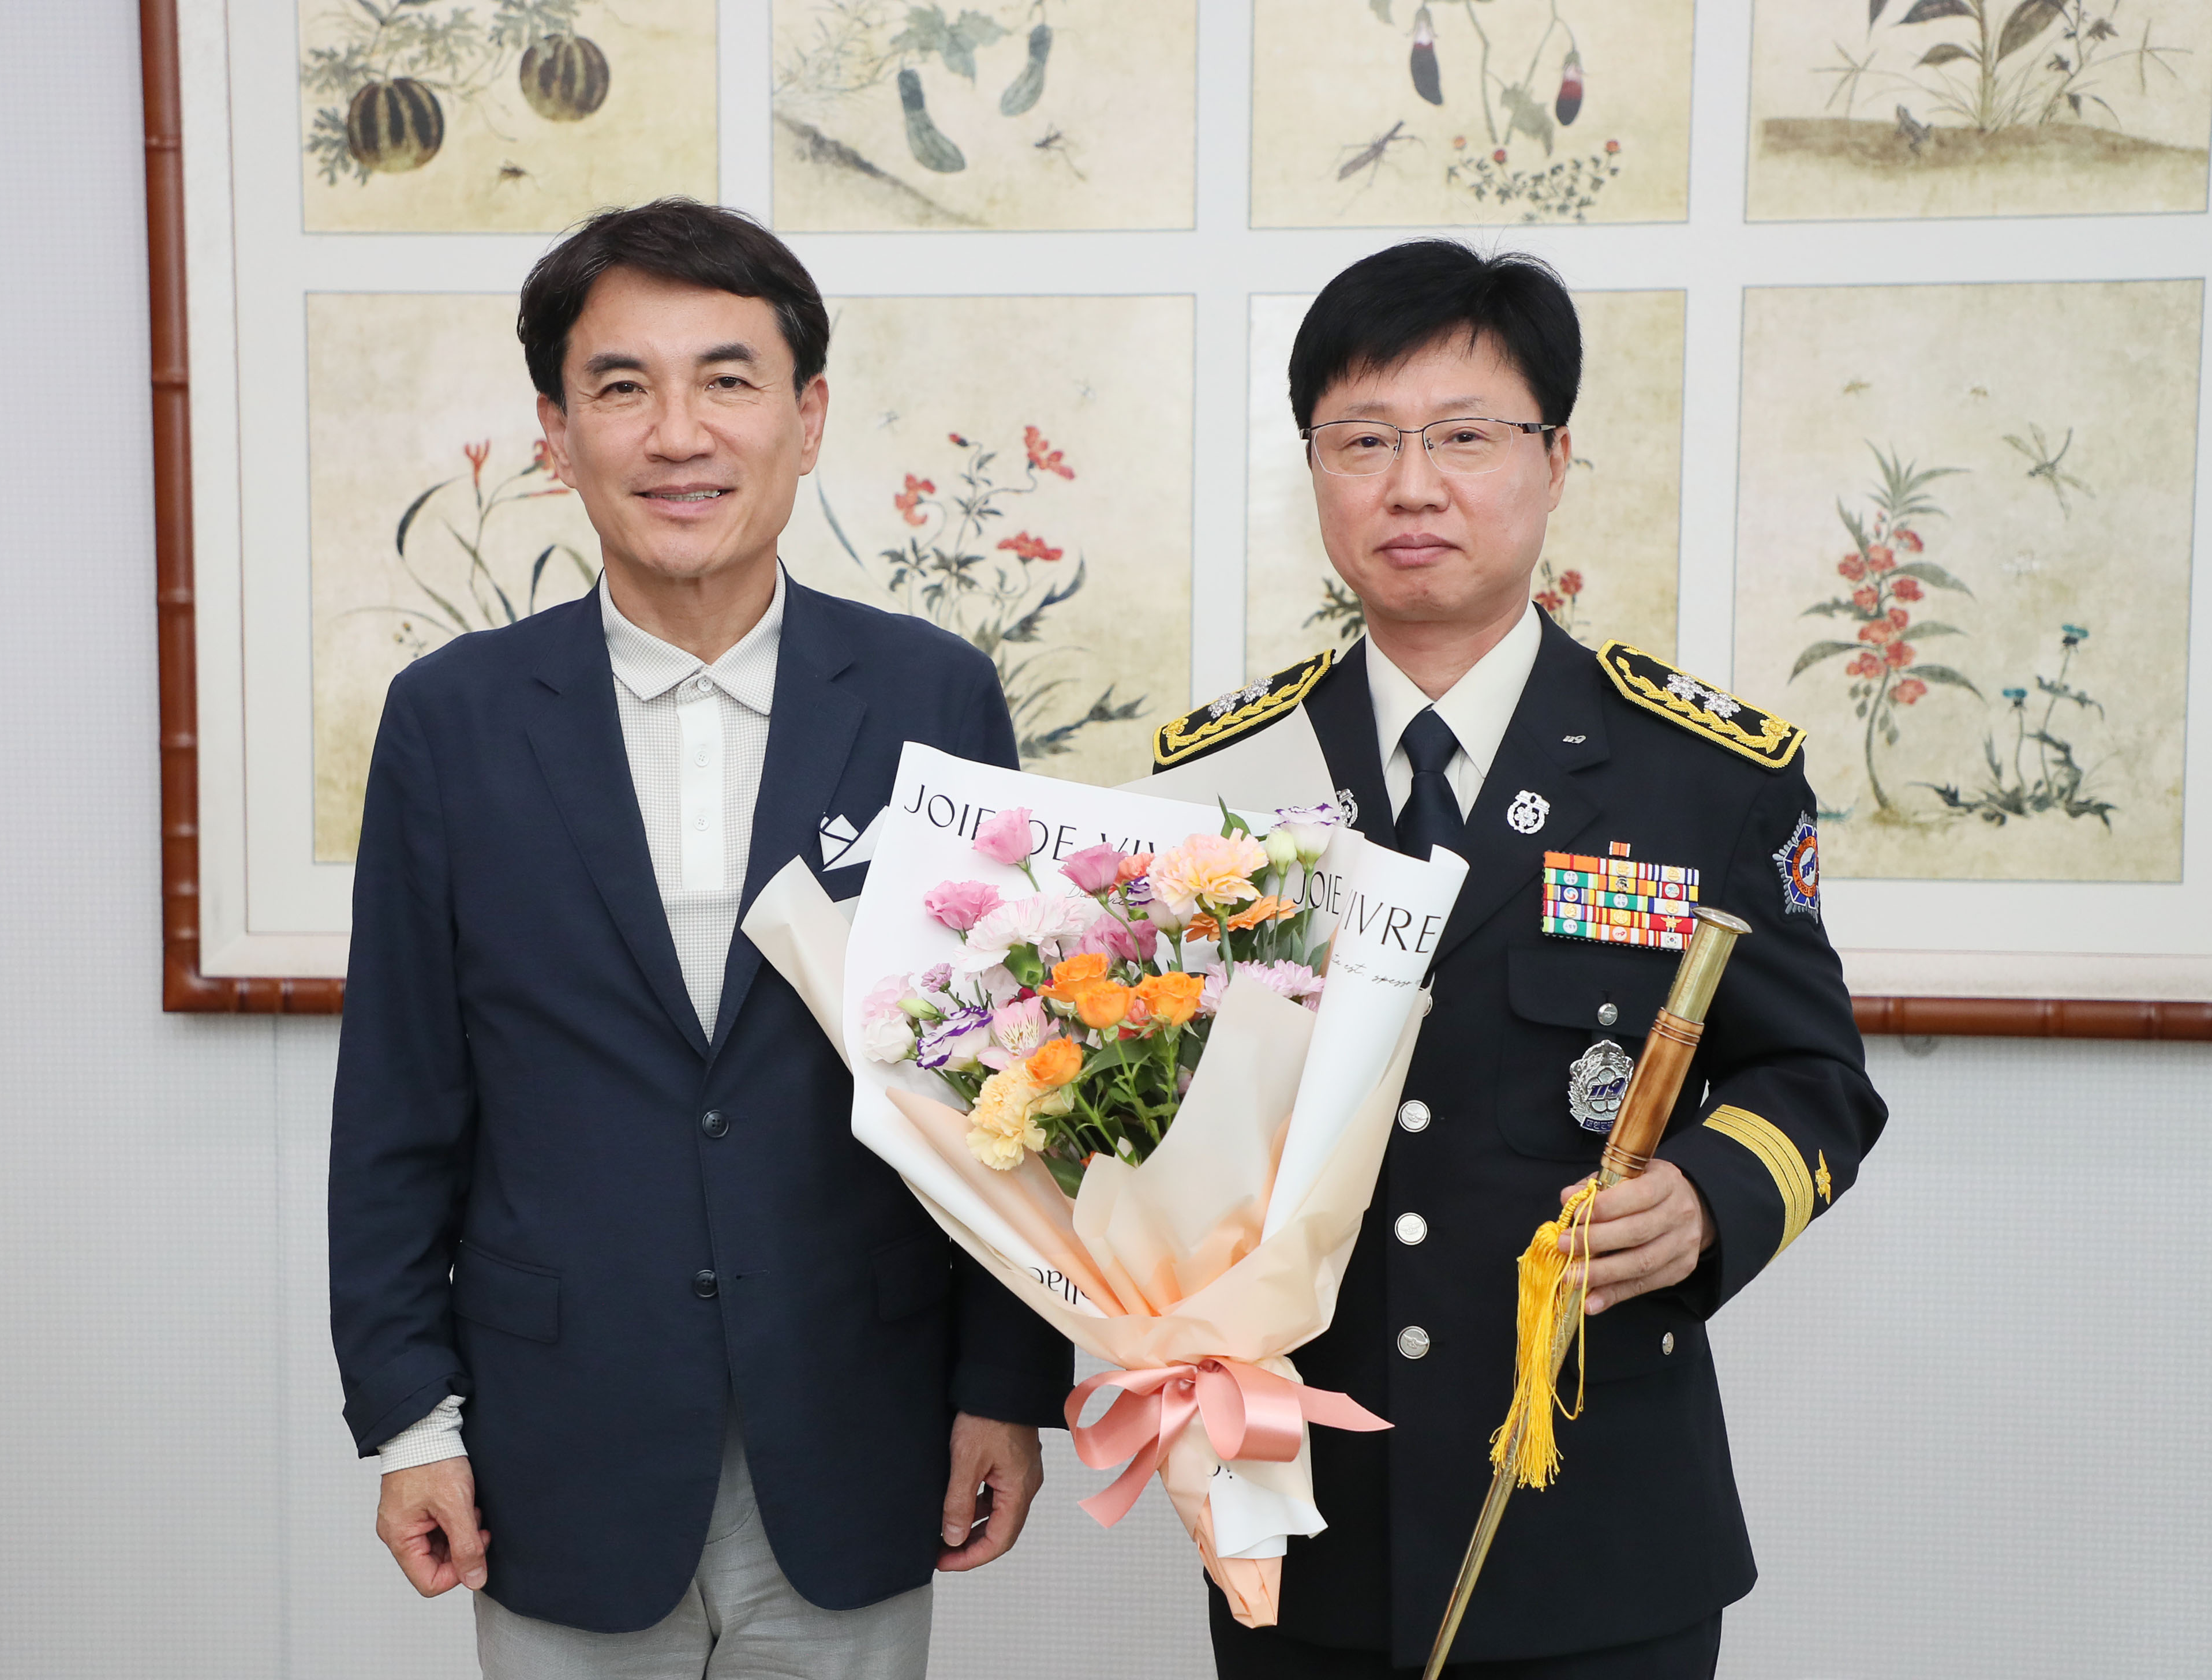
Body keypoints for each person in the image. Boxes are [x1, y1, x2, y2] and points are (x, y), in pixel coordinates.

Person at [330, 198, 1072, 1679]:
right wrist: (411, 1420)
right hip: (556, 1440)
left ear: (807, 418)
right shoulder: (452, 721)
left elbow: (1008, 1077)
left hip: (862, 1419)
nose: (679, 434)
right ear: (557, 435)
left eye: (728, 381)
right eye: (622, 387)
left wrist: (1005, 1382)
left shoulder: (932, 696)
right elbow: (399, 1102)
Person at [1148, 241, 1887, 1678]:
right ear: (1316, 472)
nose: (1412, 486)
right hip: (1301, 1510)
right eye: (1364, 441)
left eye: (1466, 437)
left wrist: (1711, 1196)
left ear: (1554, 461)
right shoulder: (1218, 782)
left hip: (1595, 1516)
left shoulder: (1703, 776)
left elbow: (1815, 1078)